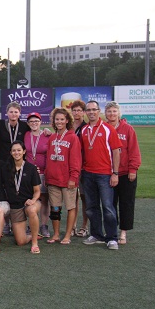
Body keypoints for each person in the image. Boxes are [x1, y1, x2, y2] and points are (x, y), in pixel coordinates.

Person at [80, 100, 122, 250]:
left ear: (99, 111)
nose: (91, 112)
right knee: (91, 207)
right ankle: (97, 234)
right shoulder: (84, 130)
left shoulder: (108, 129)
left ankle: (112, 238)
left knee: (108, 207)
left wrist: (115, 173)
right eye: (88, 110)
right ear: (86, 112)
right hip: (88, 174)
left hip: (105, 174)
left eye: (94, 110)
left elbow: (116, 151)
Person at [105, 101, 141, 245]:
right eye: (109, 111)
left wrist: (133, 169)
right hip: (108, 173)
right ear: (105, 113)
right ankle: (111, 231)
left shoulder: (128, 129)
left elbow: (134, 150)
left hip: (126, 173)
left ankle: (123, 232)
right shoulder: (104, 128)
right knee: (110, 204)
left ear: (119, 113)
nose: (112, 114)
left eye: (114, 111)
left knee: (126, 203)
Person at [44, 108, 82, 245]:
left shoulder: (72, 137)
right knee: (55, 208)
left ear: (67, 120)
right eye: (57, 119)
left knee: (70, 207)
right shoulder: (53, 137)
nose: (59, 122)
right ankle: (55, 234)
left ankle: (67, 235)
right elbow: (48, 158)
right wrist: (47, 176)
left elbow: (76, 160)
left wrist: (73, 178)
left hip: (68, 180)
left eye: (62, 119)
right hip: (53, 179)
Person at [2, 141, 41, 254]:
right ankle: (30, 235)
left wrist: (33, 200)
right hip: (16, 206)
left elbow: (37, 191)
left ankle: (34, 243)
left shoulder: (31, 168)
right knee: (20, 241)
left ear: (24, 151)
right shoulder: (6, 168)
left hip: (30, 202)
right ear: (10, 152)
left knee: (31, 210)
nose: (16, 152)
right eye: (14, 150)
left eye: (19, 150)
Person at [24, 112, 51, 238]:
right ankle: (31, 225)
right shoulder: (26, 134)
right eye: (31, 122)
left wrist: (47, 172)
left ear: (41, 122)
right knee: (30, 199)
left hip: (44, 172)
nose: (34, 123)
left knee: (45, 199)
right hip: (30, 174)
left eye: (36, 121)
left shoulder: (47, 135)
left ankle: (44, 225)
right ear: (28, 124)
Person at [70, 100, 89, 237]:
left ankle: (84, 225)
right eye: (74, 110)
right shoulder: (68, 126)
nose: (76, 113)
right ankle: (73, 226)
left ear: (83, 112)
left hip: (84, 167)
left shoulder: (87, 127)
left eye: (79, 110)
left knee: (84, 197)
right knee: (72, 198)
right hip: (70, 167)